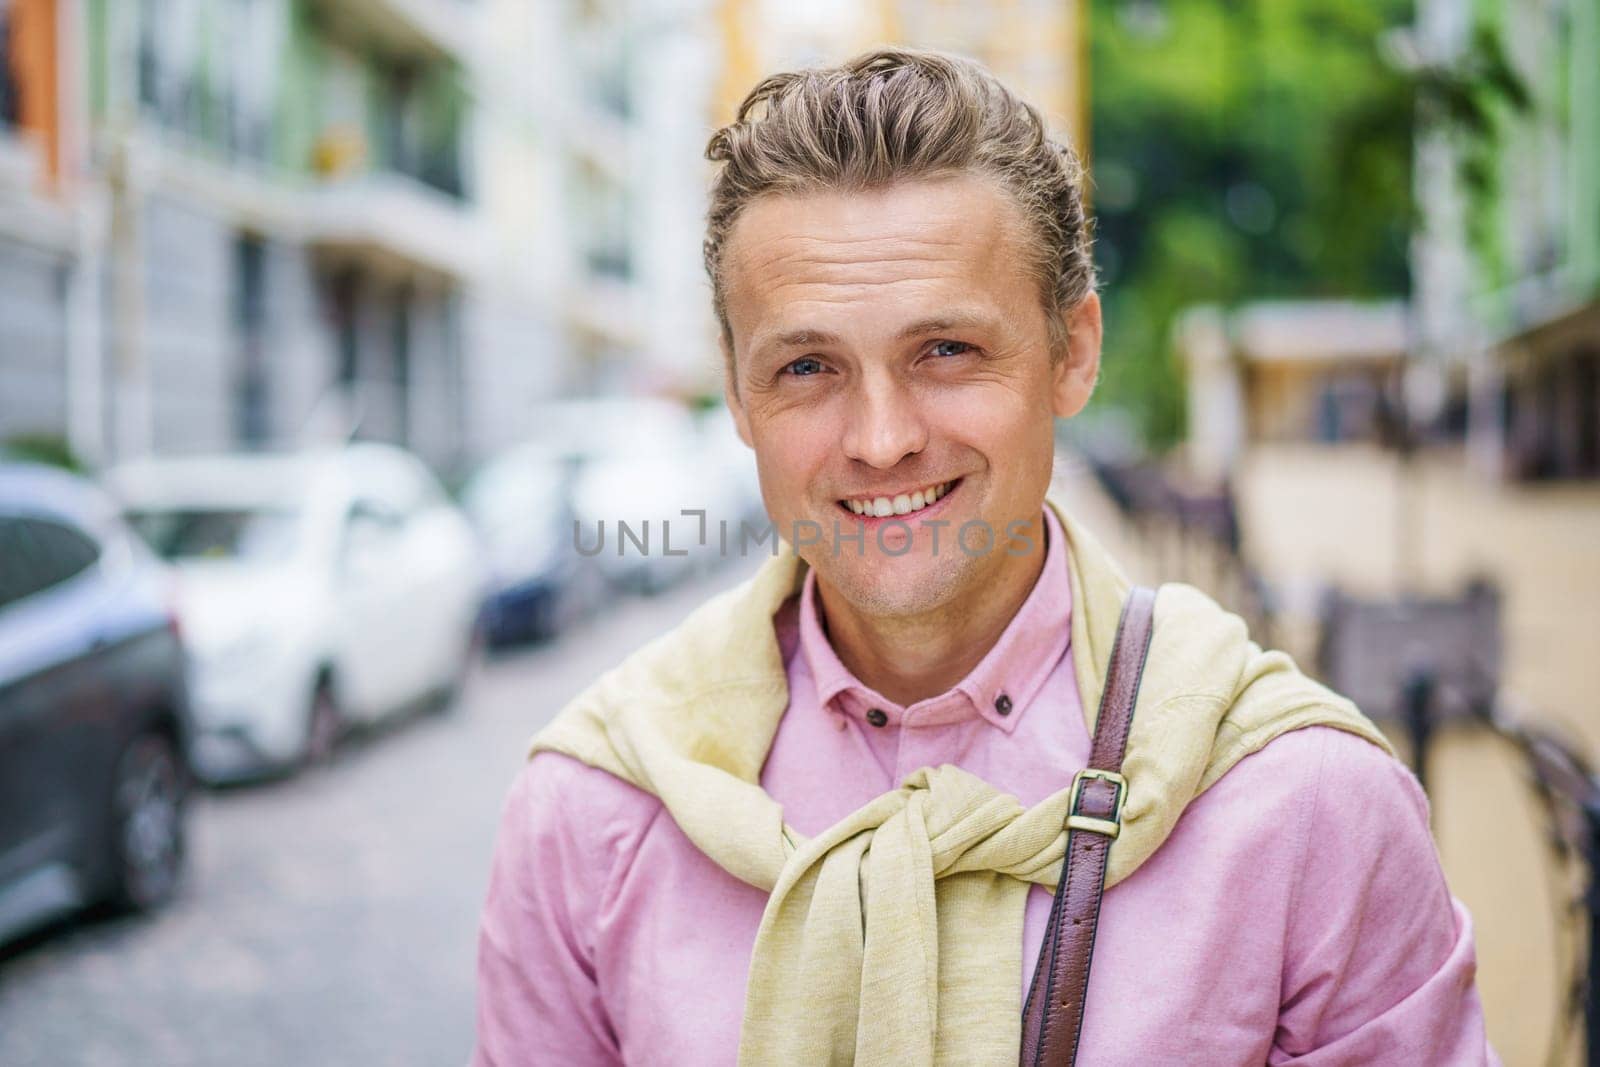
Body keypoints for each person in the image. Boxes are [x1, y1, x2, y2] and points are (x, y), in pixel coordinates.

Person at [472, 48, 1498, 1066]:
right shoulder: (592, 807)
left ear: (1073, 349)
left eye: (946, 351)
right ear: (740, 400)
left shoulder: (1304, 804)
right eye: (806, 365)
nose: (880, 439)